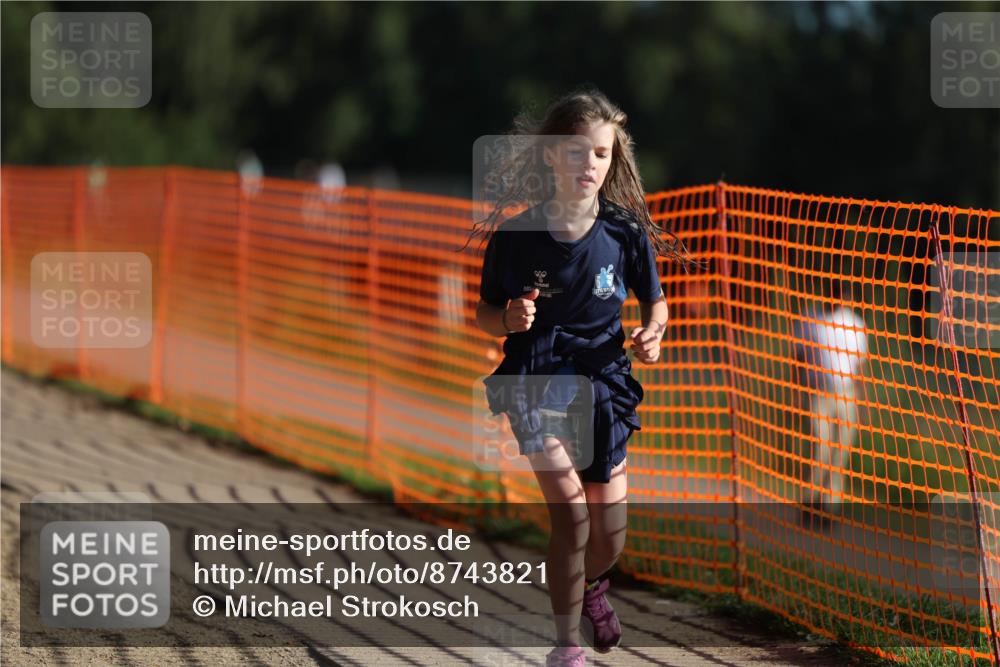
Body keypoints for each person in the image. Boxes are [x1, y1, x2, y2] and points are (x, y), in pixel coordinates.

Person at [470, 88, 698, 667]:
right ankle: (566, 645)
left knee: (608, 537)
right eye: (577, 153)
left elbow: (657, 302)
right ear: (551, 156)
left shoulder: (624, 232)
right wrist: (508, 318)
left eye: (600, 154)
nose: (590, 165)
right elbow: (483, 314)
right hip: (538, 375)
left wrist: (653, 331)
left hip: (604, 379)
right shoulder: (517, 237)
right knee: (570, 514)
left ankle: (592, 586)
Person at [793, 280, 869, 520]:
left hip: (846, 393)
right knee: (819, 448)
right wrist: (796, 390)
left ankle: (830, 507)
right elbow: (798, 357)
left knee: (839, 453)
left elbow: (860, 367)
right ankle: (810, 502)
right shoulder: (811, 318)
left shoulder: (854, 324)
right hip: (818, 393)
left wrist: (863, 402)